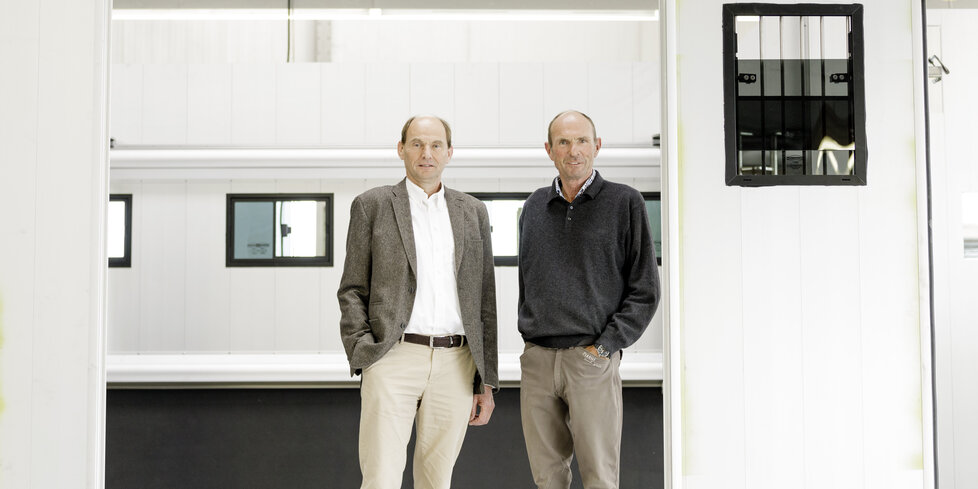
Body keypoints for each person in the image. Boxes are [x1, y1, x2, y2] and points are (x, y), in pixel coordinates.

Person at [338, 115, 498, 489]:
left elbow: (484, 300)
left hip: (457, 363)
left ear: (449, 152)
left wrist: (487, 380)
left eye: (436, 145)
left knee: (437, 481)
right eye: (417, 144)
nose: (427, 153)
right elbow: (352, 289)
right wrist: (365, 350)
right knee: (381, 478)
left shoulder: (472, 211)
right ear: (401, 149)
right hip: (393, 357)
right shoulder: (372, 205)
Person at [517, 110, 660, 489]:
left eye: (581, 140)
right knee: (547, 479)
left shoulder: (624, 202)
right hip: (538, 361)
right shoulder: (533, 207)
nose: (573, 150)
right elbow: (527, 283)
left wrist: (604, 348)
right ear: (549, 149)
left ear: (597, 146)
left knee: (599, 477)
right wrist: (530, 344)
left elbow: (645, 290)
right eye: (563, 142)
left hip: (591, 360)